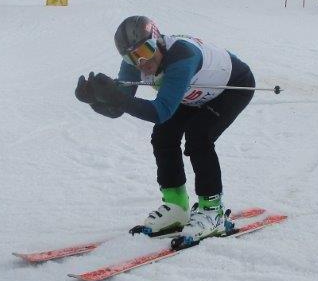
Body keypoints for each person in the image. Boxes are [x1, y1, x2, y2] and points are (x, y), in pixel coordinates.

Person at [74, 16, 256, 250]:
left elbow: (160, 111)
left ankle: (213, 211)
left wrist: (115, 96)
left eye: (146, 50)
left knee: (199, 136)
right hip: (193, 92)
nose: (141, 61)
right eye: (132, 56)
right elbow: (119, 108)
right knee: (164, 135)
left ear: (157, 40)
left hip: (231, 88)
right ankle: (177, 208)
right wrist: (97, 100)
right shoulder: (134, 63)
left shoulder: (181, 57)